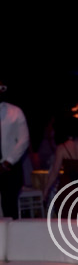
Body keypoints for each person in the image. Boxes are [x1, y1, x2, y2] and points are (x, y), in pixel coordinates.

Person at [44, 114, 78, 217]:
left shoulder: (62, 147)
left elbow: (54, 172)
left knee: (65, 221)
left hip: (67, 188)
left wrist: (46, 190)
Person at [0, 79, 30, 218]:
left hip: (9, 169)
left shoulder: (15, 112)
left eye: (2, 87)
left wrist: (8, 162)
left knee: (9, 208)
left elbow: (24, 139)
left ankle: (11, 232)